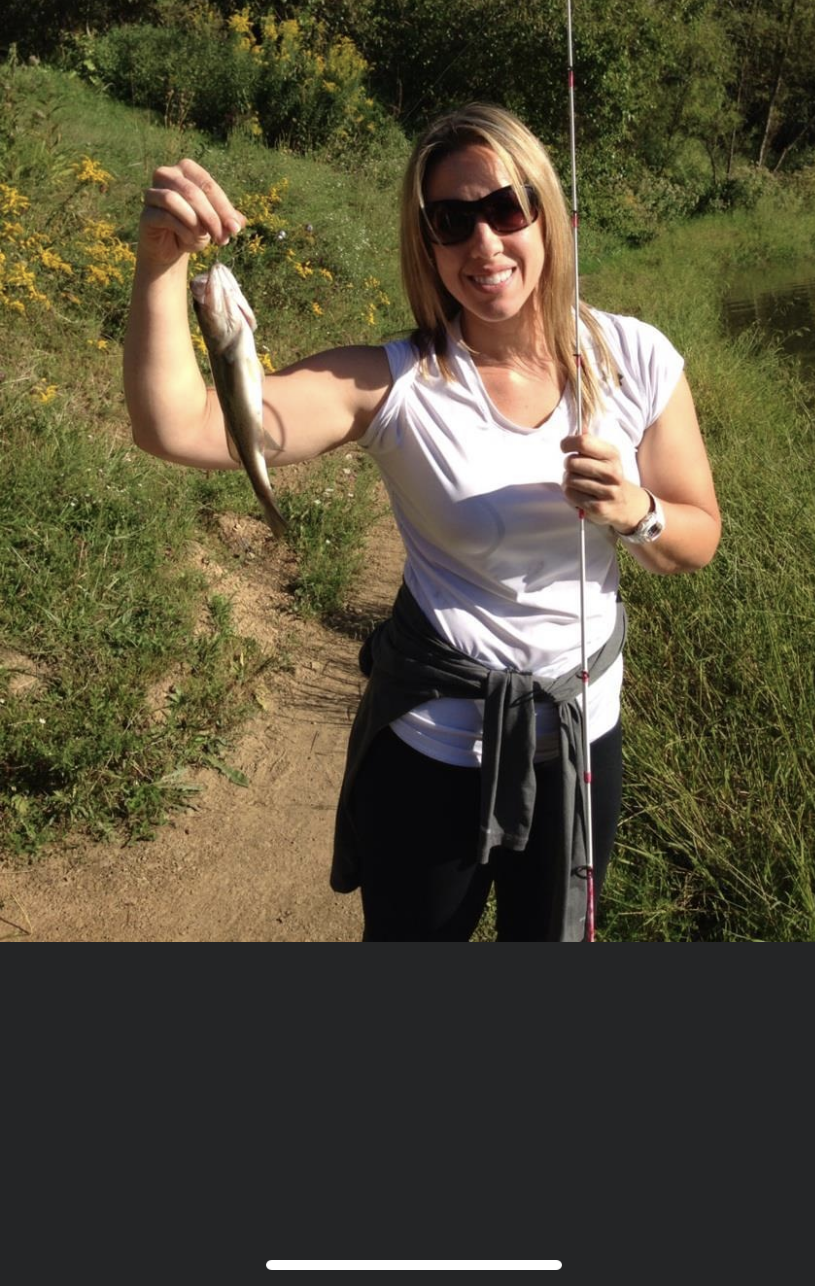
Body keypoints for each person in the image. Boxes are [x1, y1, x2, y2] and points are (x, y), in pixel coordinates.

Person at [124, 102, 721, 942]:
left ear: (548, 212)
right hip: (433, 750)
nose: (483, 242)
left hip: (585, 738)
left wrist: (638, 512)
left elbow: (697, 537)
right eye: (451, 220)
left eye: (506, 209)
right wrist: (158, 267)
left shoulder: (637, 359)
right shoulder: (393, 382)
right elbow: (176, 427)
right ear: (427, 242)